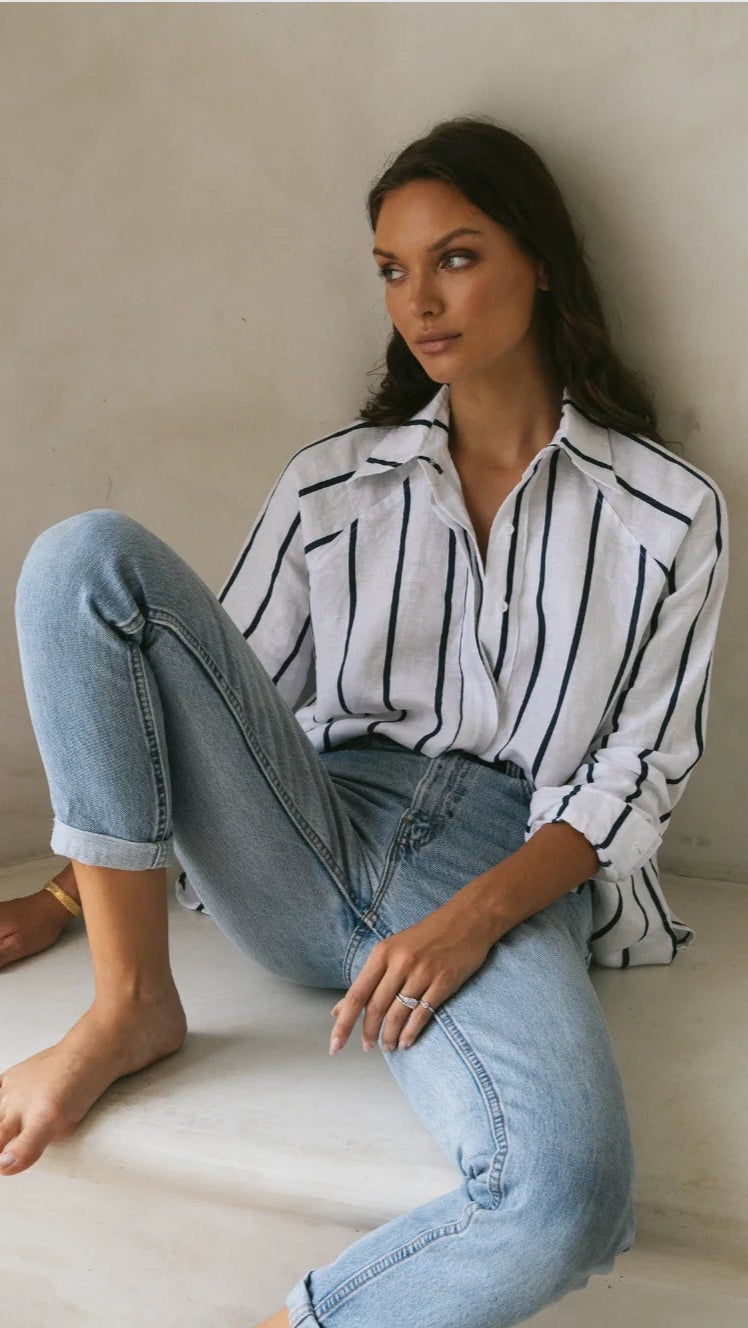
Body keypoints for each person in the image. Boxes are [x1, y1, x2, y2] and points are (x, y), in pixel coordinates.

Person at [2, 115, 729, 1328]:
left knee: (570, 1197)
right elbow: (181, 698)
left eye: (454, 256)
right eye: (392, 269)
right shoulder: (332, 486)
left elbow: (637, 774)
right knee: (84, 560)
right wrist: (67, 897)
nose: (418, 301)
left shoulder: (667, 512)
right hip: (308, 819)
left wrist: (466, 921)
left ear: (538, 261)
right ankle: (130, 1006)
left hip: (507, 866)